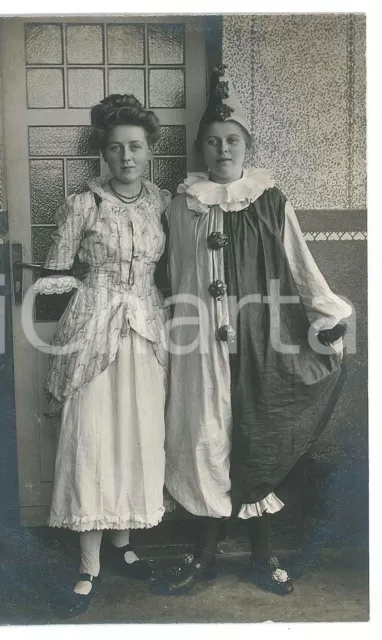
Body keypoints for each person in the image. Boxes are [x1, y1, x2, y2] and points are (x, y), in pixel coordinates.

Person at [155, 65, 352, 596]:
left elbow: (298, 262)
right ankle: (203, 554)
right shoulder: (180, 204)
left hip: (259, 344)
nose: (223, 150)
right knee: (202, 440)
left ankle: (264, 555)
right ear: (201, 149)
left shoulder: (270, 201)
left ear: (247, 145)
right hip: (196, 347)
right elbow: (167, 275)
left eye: (233, 140)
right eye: (214, 141)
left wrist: (325, 316)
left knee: (255, 440)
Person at [34, 94, 171, 617]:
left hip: (148, 329)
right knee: (91, 436)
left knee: (137, 433)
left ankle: (123, 542)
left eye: (135, 147)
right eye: (116, 148)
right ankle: (88, 562)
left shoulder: (161, 201)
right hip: (93, 329)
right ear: (104, 153)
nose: (127, 157)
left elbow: (169, 266)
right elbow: (54, 273)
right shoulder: (82, 204)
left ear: (149, 150)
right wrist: (95, 289)